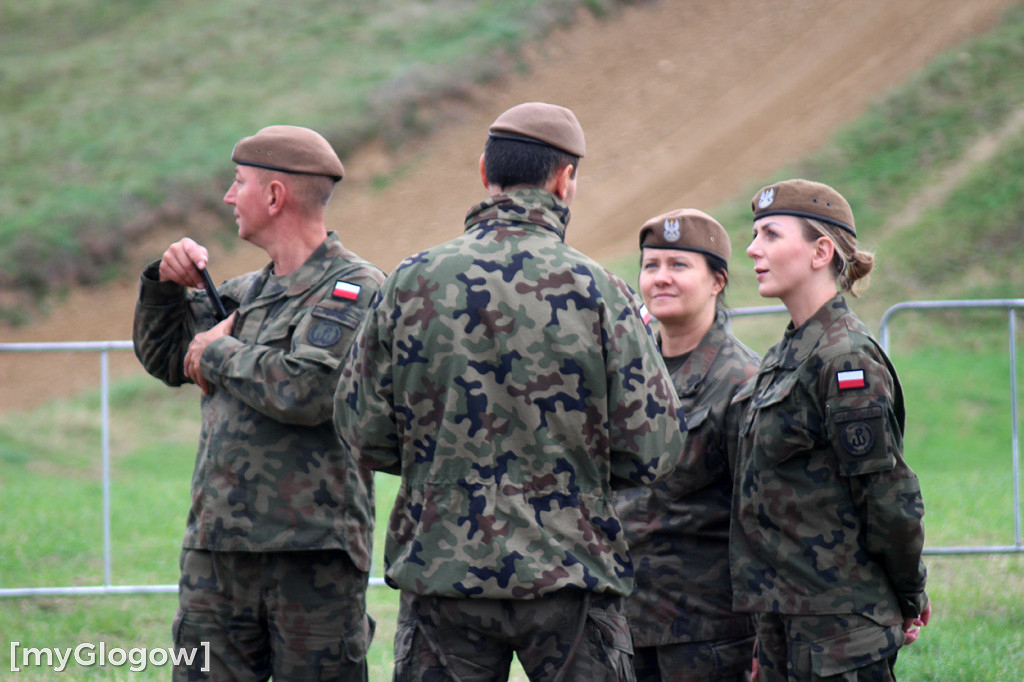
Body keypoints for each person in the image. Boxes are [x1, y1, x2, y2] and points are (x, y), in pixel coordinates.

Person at [333, 102, 687, 682]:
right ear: (564, 179)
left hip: (444, 570)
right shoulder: (600, 291)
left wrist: (441, 464)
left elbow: (360, 429)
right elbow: (654, 447)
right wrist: (576, 475)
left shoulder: (411, 282)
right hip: (571, 573)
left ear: (483, 172)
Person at [133, 125, 384, 681]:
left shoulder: (355, 288)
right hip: (219, 552)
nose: (228, 196)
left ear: (274, 197)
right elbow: (168, 357)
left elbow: (311, 389)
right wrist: (163, 284)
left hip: (312, 555)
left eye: (239, 182)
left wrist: (220, 352)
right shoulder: (245, 292)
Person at [731, 179, 931, 681]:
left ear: (821, 251)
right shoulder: (786, 355)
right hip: (786, 620)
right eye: (755, 235)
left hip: (840, 630)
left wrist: (909, 593)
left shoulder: (845, 357)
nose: (753, 249)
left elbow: (886, 495)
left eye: (772, 235)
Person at [614, 209, 759, 681]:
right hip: (621, 626)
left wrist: (766, 632)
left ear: (717, 281)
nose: (661, 278)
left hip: (706, 634)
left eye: (679, 265)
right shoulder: (626, 374)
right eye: (651, 266)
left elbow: (759, 518)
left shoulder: (743, 381)